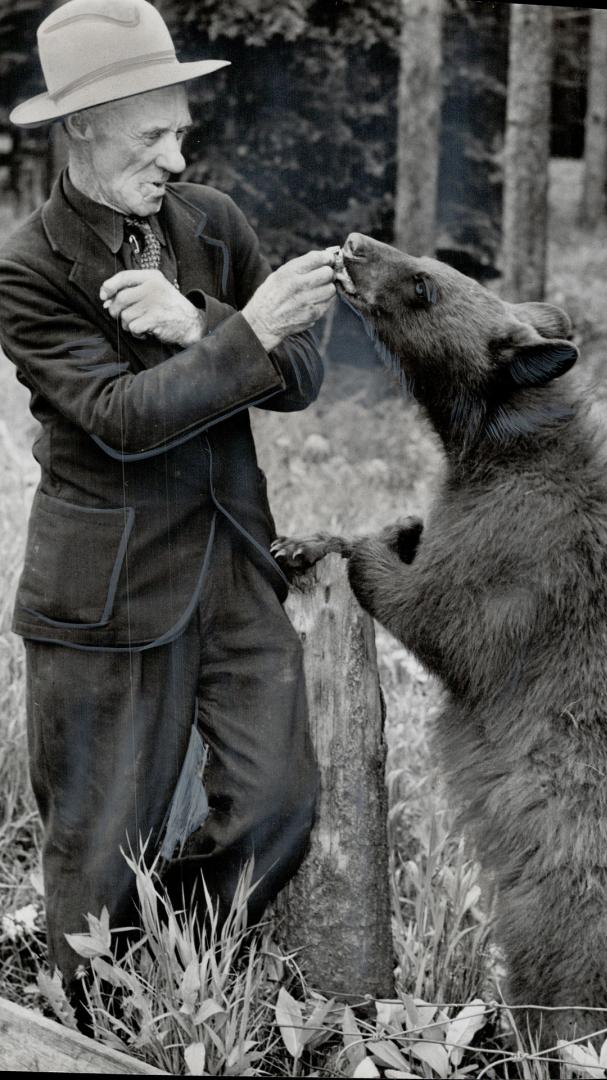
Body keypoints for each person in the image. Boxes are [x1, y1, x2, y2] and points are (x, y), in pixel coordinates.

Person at [0, 0, 335, 996]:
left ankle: (156, 962)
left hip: (233, 565)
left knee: (279, 804)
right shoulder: (24, 267)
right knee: (94, 855)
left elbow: (305, 370)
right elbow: (120, 418)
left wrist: (204, 322)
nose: (177, 159)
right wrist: (245, 336)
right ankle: (82, 1024)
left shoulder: (212, 225)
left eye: (183, 129)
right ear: (81, 128)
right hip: (102, 594)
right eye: (153, 136)